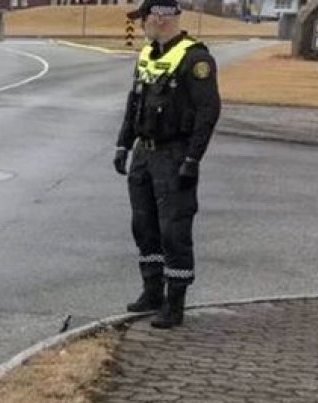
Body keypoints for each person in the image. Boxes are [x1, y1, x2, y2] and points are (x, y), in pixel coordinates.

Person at [113, 0, 221, 329]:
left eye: (143, 18)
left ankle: (175, 304)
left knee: (173, 230)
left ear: (160, 18)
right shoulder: (148, 54)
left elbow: (208, 111)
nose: (141, 24)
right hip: (144, 156)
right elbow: (135, 102)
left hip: (174, 154)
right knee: (143, 227)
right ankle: (151, 291)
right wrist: (123, 143)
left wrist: (193, 159)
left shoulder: (195, 58)